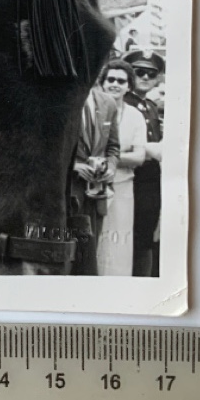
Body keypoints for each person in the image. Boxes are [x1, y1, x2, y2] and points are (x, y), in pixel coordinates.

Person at [97, 60, 148, 276]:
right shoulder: (89, 110)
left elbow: (139, 156)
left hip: (122, 188)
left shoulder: (135, 116)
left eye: (121, 80)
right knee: (95, 243)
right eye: (110, 79)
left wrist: (109, 158)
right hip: (92, 187)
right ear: (102, 83)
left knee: (118, 243)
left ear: (129, 86)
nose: (115, 84)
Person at [68, 72, 119, 276]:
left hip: (96, 195)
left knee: (89, 259)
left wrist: (111, 168)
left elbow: (113, 147)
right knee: (68, 256)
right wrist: (74, 166)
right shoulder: (62, 98)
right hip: (68, 192)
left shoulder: (108, 103)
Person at [124, 49, 165, 277]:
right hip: (131, 177)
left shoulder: (150, 106)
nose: (146, 77)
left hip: (150, 178)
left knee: (147, 233)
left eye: (152, 73)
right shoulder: (124, 103)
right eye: (140, 72)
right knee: (132, 235)